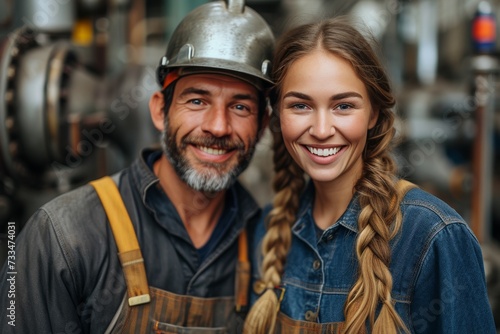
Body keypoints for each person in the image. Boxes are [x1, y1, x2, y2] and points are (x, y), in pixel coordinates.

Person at [0, 0, 274, 333]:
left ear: (262, 126)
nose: (218, 126)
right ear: (160, 110)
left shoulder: (270, 246)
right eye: (197, 100)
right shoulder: (61, 237)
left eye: (241, 107)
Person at [244, 16, 496, 334]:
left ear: (373, 114)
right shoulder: (265, 230)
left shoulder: (434, 236)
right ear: (278, 114)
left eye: (344, 106)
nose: (322, 130)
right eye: (300, 106)